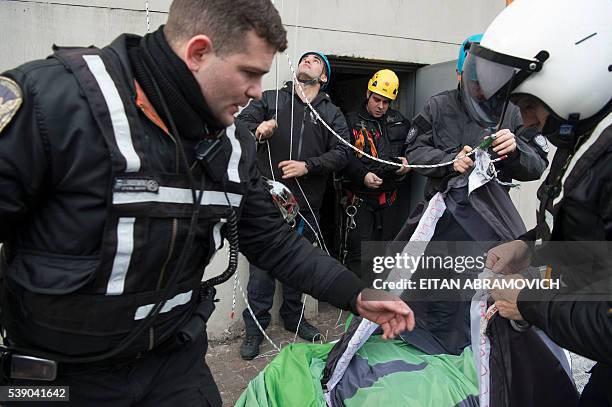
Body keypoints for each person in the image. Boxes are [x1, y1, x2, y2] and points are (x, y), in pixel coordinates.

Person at [0, 1, 415, 405]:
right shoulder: (51, 104)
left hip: (173, 366)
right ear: (198, 52)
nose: (256, 92)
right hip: (60, 380)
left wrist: (355, 294)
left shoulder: (231, 144)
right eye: (249, 74)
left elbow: (274, 241)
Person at [477, 0, 611, 404]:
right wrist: (527, 245)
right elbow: (586, 228)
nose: (529, 121)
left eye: (528, 105)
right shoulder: (587, 141)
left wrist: (531, 303)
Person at [402, 34, 549, 355]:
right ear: (459, 74)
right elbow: (414, 151)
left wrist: (516, 150)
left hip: (490, 223)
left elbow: (537, 163)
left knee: (479, 287)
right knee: (435, 286)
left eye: (488, 82)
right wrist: (449, 161)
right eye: (473, 82)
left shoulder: (512, 111)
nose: (482, 91)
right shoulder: (437, 105)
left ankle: (479, 354)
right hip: (441, 219)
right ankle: (431, 351)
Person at [236, 51, 351, 359]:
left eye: (315, 61)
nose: (307, 60)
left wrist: (308, 166)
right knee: (262, 268)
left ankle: (294, 317)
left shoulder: (331, 113)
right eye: (305, 58)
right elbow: (239, 123)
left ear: (323, 77)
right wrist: (258, 130)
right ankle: (256, 329)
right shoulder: (272, 99)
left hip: (306, 206)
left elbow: (343, 152)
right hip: (265, 201)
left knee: (297, 266)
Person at [341, 69, 411, 277]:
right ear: (367, 94)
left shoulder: (400, 123)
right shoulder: (350, 121)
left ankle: (378, 298)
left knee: (386, 253)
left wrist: (405, 169)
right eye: (377, 100)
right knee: (359, 253)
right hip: (360, 199)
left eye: (386, 102)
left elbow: (411, 154)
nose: (381, 106)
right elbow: (342, 155)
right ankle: (358, 300)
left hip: (389, 200)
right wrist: (362, 175)